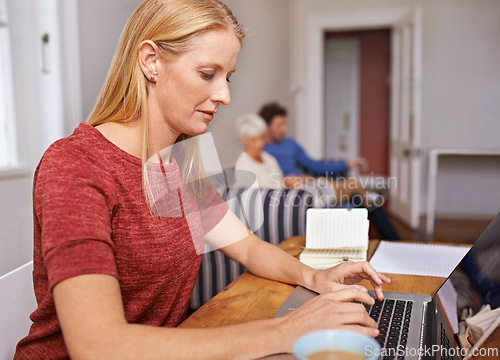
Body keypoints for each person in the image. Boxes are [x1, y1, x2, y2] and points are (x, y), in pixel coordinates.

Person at [14, 1, 391, 359]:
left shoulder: (176, 167)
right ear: (151, 62)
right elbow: (98, 347)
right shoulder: (76, 165)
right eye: (208, 74)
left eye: (228, 77)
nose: (225, 95)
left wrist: (317, 277)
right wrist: (287, 330)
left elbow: (247, 248)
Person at [260, 102, 401, 240]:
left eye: (285, 124)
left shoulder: (290, 144)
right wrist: (288, 179)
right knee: (361, 194)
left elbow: (315, 165)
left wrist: (346, 164)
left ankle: (394, 241)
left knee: (364, 201)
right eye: (279, 125)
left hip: (312, 184)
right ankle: (396, 242)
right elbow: (265, 177)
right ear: (266, 127)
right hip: (297, 190)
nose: (284, 129)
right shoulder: (261, 150)